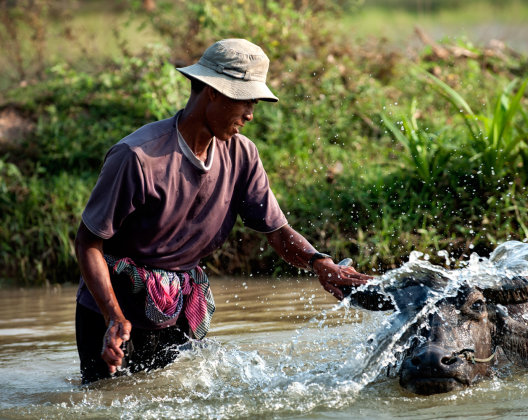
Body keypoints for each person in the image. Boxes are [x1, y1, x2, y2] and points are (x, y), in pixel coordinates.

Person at [74, 38, 372, 384]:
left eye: (254, 105)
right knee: (103, 401)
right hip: (114, 312)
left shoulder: (242, 155)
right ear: (213, 93)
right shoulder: (138, 157)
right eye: (244, 102)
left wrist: (320, 263)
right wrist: (113, 316)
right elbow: (88, 244)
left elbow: (275, 231)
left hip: (177, 308)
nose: (249, 116)